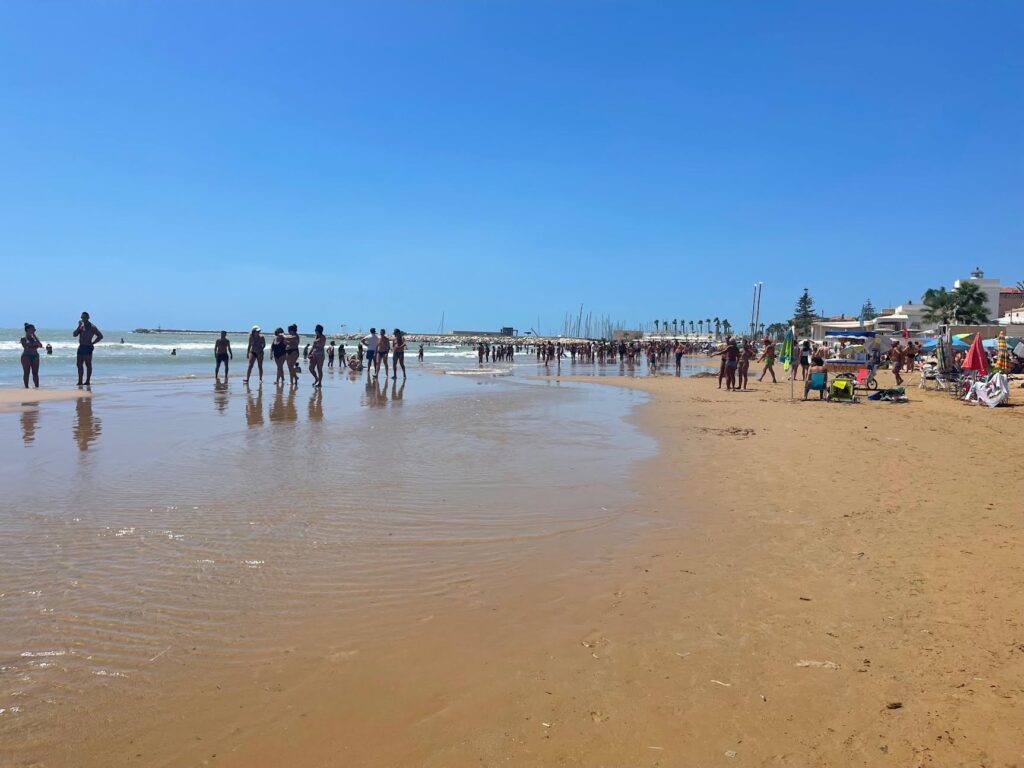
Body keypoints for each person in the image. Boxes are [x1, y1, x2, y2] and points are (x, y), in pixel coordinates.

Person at [73, 311, 103, 386]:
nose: (83, 319)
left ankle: (87, 381)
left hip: (88, 347)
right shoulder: (81, 326)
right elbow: (74, 335)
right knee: (79, 364)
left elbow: (100, 336)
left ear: (88, 318)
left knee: (88, 364)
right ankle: (80, 381)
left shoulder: (92, 327)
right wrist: (78, 326)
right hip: (81, 346)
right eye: (82, 317)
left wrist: (93, 343)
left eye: (85, 317)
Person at [20, 323, 43, 388]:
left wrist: (34, 336)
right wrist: (34, 345)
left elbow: (40, 345)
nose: (34, 330)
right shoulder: (23, 338)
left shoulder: (35, 338)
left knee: (35, 373)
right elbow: (25, 346)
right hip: (26, 356)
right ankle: (26, 387)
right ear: (27, 330)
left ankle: (37, 387)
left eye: (34, 329)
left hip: (35, 356)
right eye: (32, 329)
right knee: (26, 373)